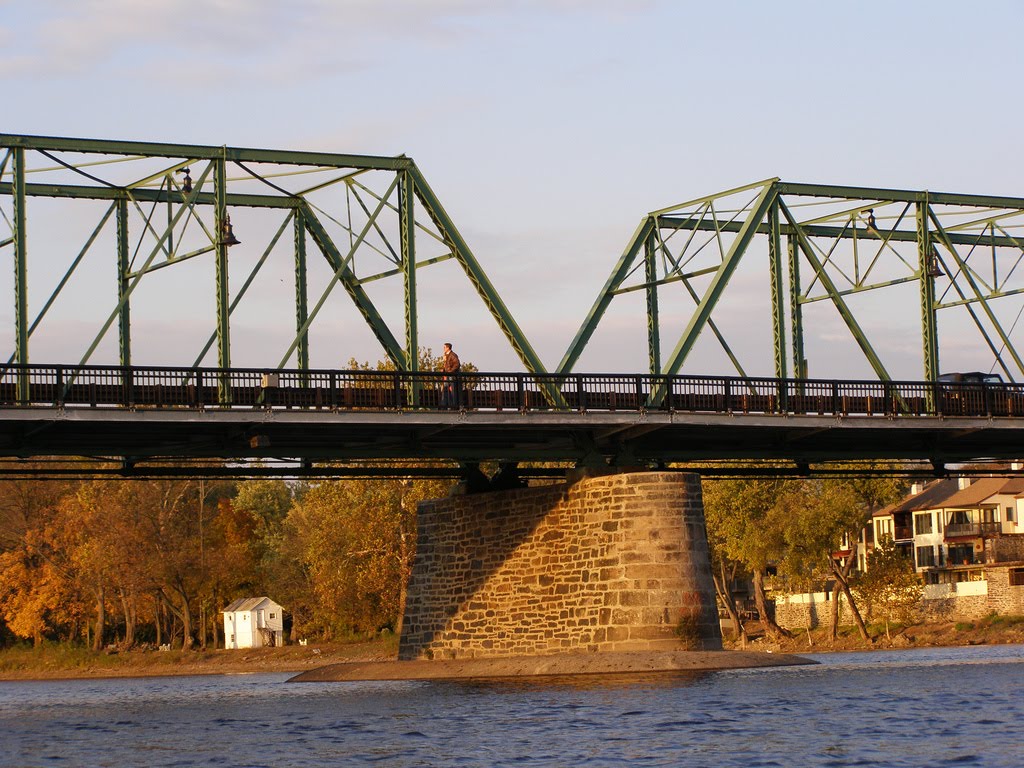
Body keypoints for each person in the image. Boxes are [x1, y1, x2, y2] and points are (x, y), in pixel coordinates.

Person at [440, 342, 461, 409]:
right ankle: (445, 405)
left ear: (448, 348)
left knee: (452, 391)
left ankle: (452, 405)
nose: (443, 349)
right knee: (446, 390)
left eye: (444, 347)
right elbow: (447, 365)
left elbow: (457, 364)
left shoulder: (452, 355)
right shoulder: (447, 355)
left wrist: (450, 371)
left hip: (451, 375)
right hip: (448, 375)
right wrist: (443, 370)